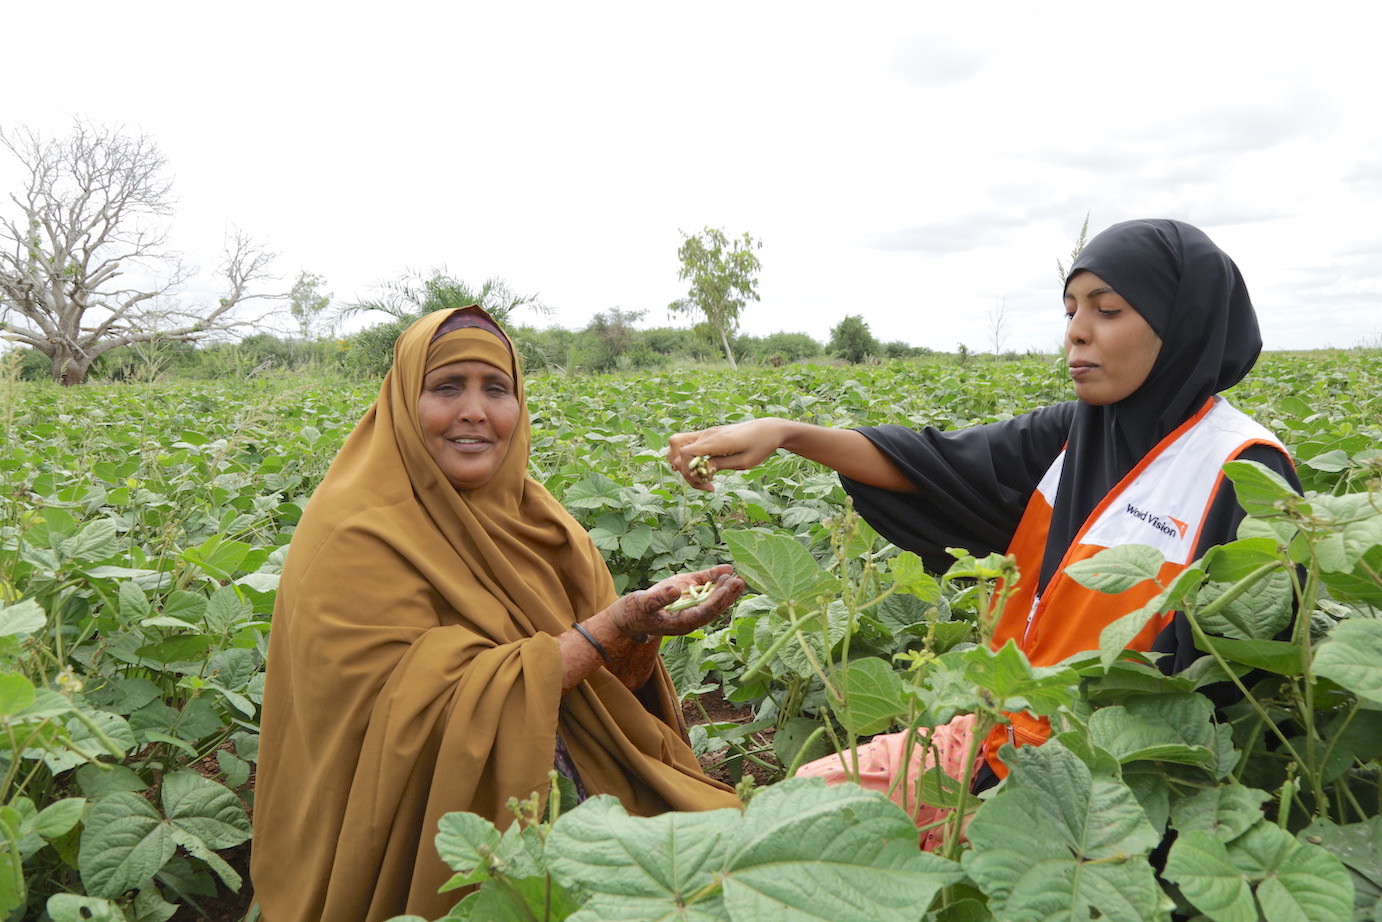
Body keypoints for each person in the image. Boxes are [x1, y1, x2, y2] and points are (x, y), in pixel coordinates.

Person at [666, 218, 1298, 837]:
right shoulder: (1073, 432)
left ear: (1181, 324)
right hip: (998, 733)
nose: (1076, 334)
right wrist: (787, 434)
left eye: (1107, 311)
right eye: (1071, 309)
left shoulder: (1242, 469)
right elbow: (928, 464)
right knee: (775, 825)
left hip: (1105, 795)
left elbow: (1233, 687)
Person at [251, 306, 744, 921]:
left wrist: (639, 634)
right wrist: (606, 629)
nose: (476, 412)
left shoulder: (542, 523)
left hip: (580, 790)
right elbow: (390, 725)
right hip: (426, 838)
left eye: (497, 389)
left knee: (727, 861)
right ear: (405, 400)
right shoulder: (353, 533)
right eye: (447, 387)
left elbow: (607, 694)